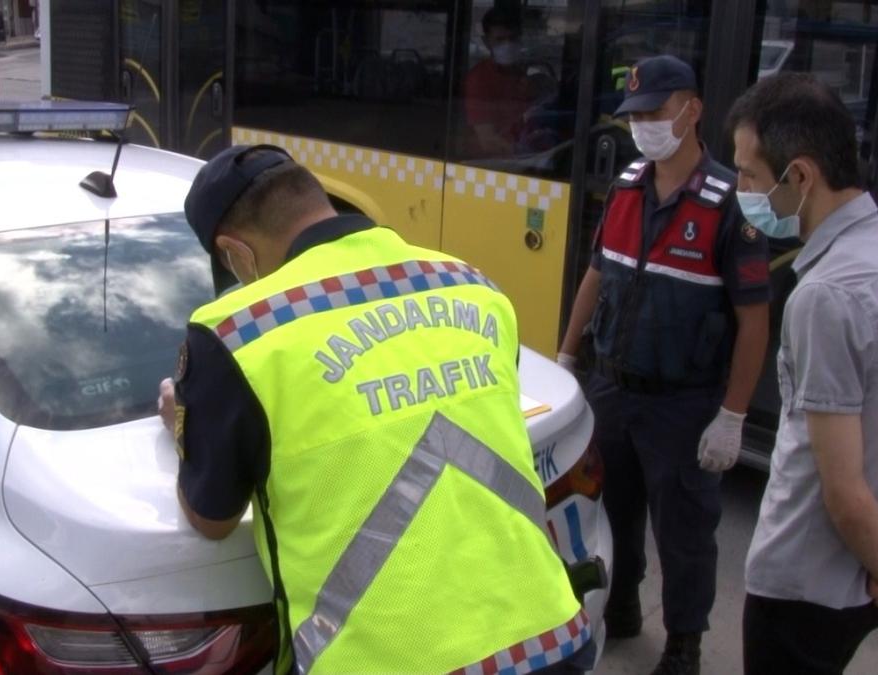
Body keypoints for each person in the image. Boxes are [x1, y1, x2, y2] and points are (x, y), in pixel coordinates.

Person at [157, 144, 592, 674]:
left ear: (237, 255)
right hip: (550, 643)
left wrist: (180, 421)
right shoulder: (473, 285)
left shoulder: (236, 334)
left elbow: (211, 519)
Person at [728, 73, 878, 675]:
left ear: (799, 176)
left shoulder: (826, 297)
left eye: (749, 175)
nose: (741, 190)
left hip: (802, 589)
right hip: (856, 583)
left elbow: (846, 495)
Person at [558, 55, 771, 675]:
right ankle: (621, 606)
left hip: (683, 403)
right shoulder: (626, 186)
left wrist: (731, 416)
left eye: (655, 112)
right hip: (612, 390)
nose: (644, 125)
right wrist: (568, 355)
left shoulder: (732, 204)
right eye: (636, 115)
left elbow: (754, 322)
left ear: (691, 110)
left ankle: (684, 645)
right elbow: (596, 275)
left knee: (683, 533)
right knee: (612, 515)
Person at [463, 8, 532, 157]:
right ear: (487, 42)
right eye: (500, 40)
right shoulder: (479, 79)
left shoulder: (521, 75)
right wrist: (526, 153)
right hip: (489, 165)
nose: (508, 45)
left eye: (512, 38)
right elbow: (488, 141)